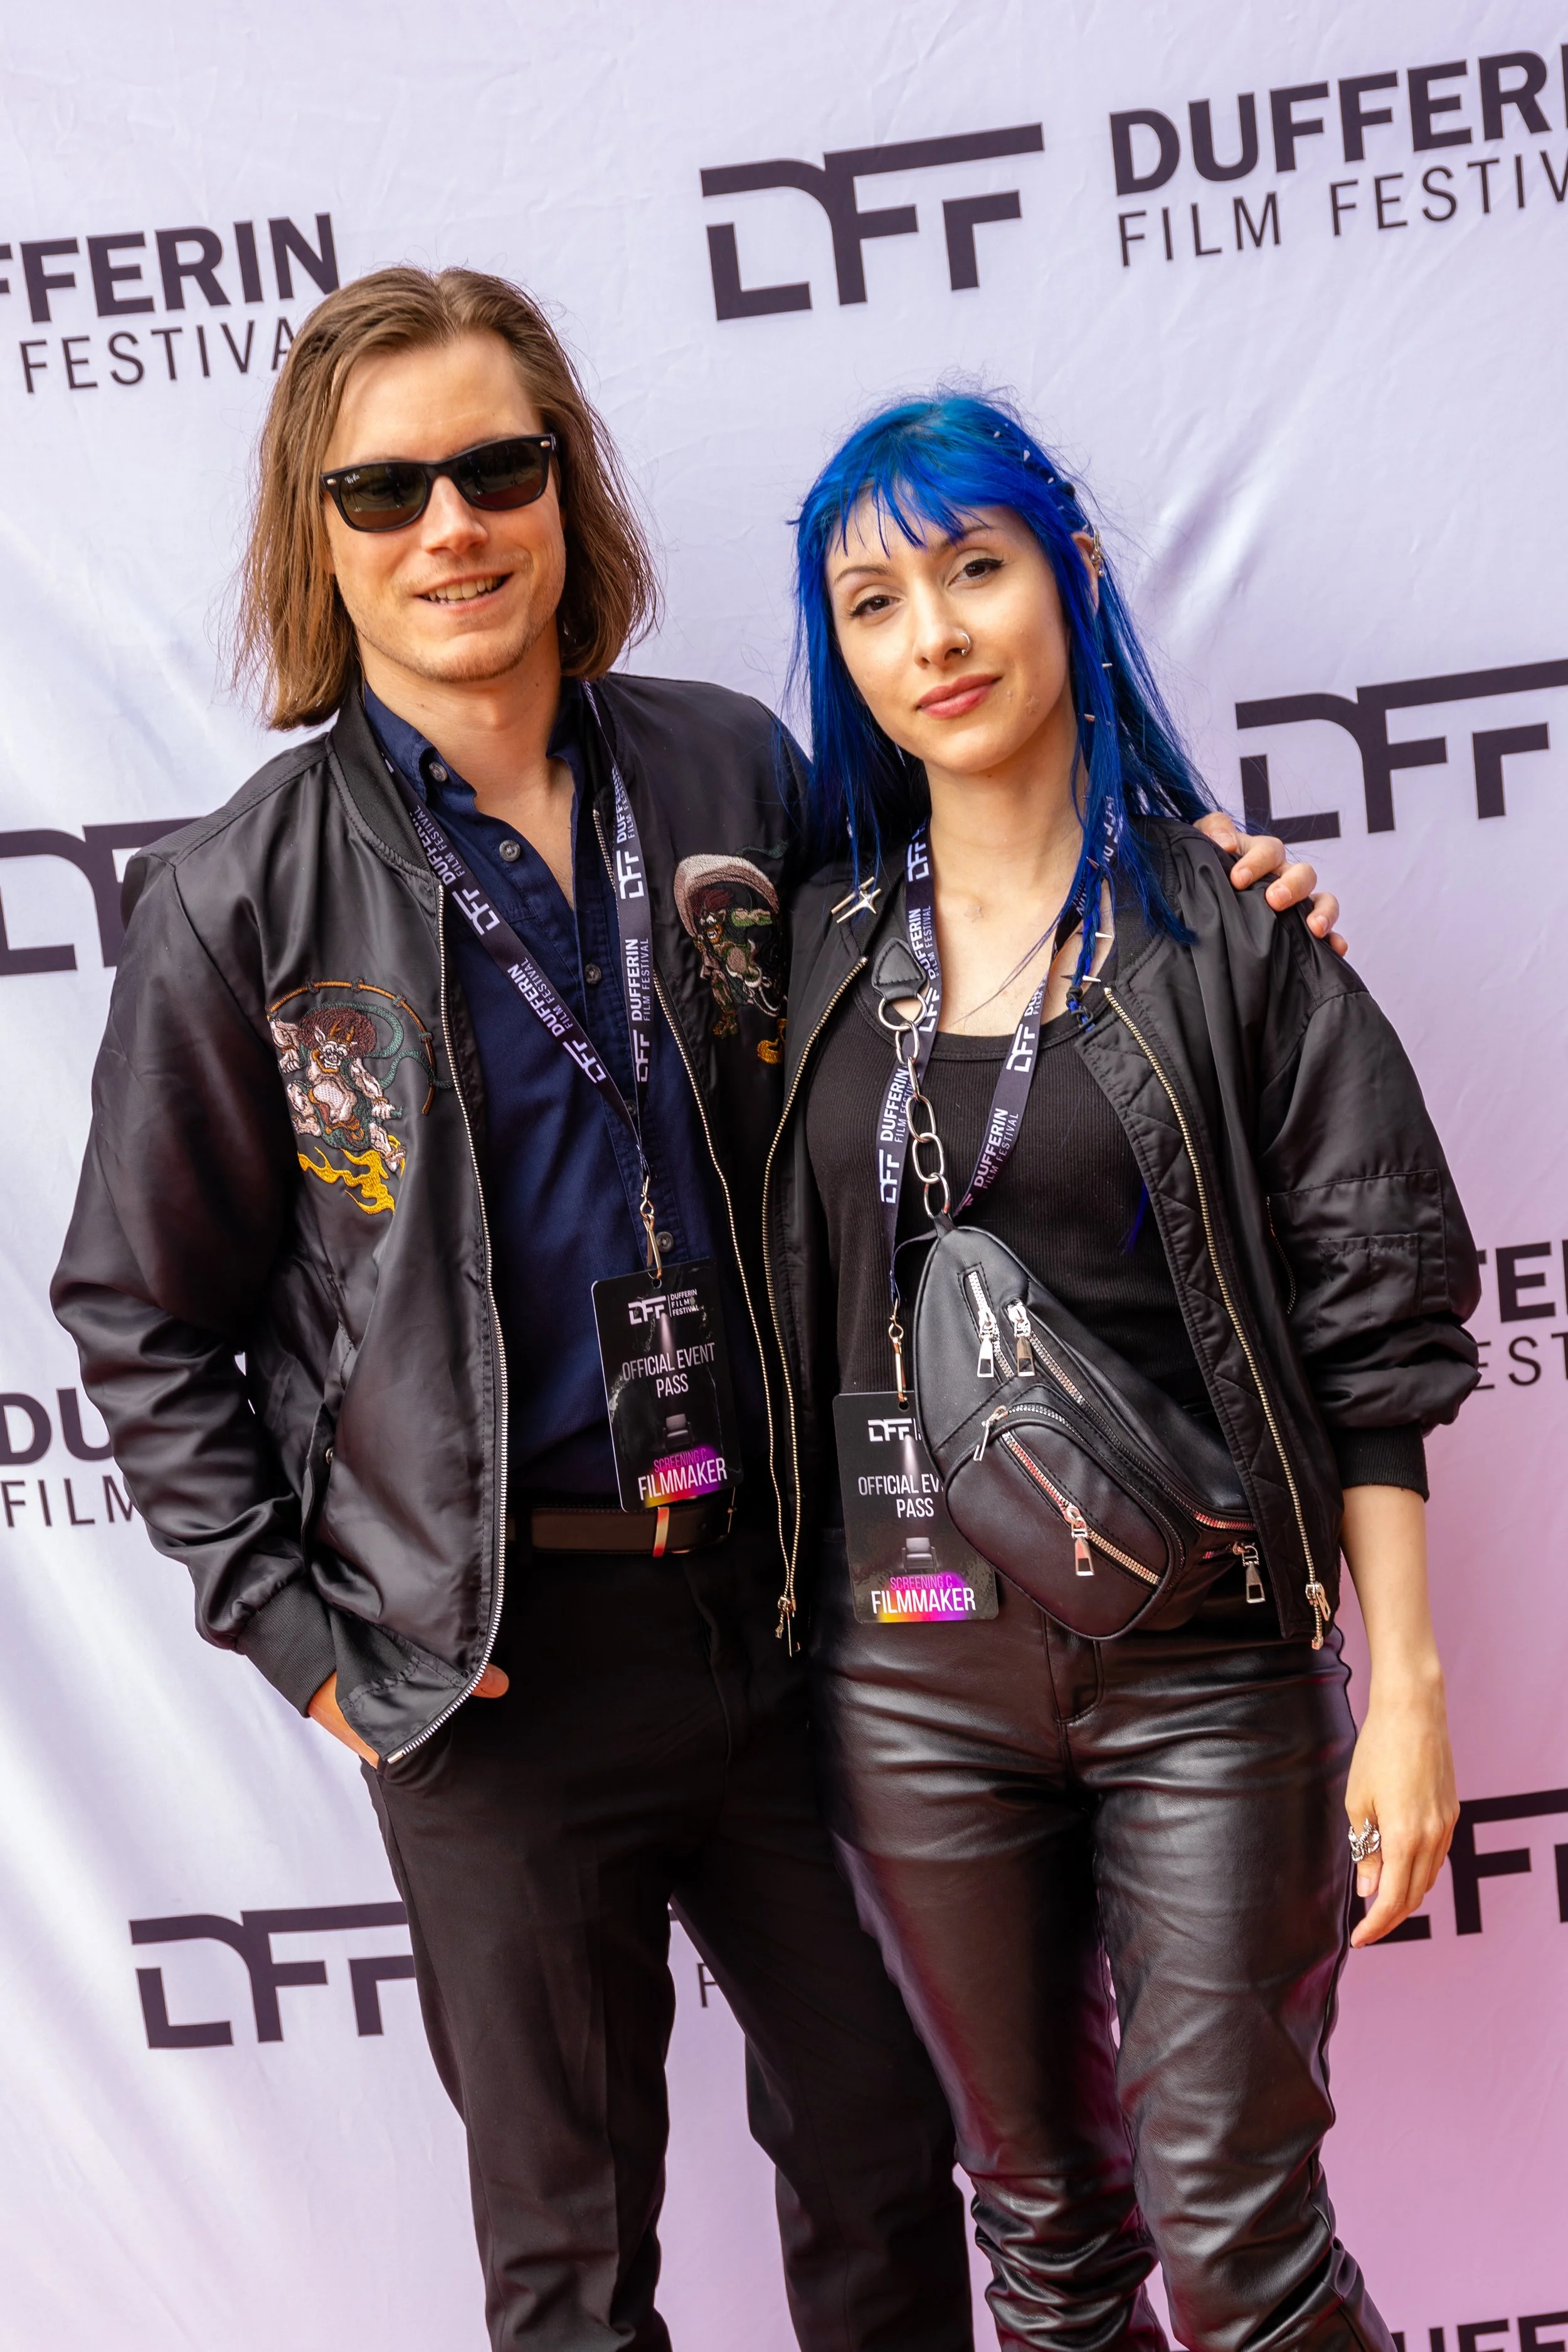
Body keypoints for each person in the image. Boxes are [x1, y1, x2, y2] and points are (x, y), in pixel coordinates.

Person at [51, 270, 1332, 2351]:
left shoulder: (733, 772)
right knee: (571, 2263)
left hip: (792, 1608)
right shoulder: (237, 895)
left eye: (497, 466)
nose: (449, 524)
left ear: (568, 490)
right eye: (385, 490)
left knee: (885, 2167)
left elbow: (987, 912)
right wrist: (312, 1646)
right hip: (486, 1673)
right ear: (319, 533)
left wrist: (1204, 886)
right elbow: (136, 1308)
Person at [763, 394, 1479, 2352]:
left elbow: (1374, 1321)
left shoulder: (1230, 935)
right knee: (1047, 2235)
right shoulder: (812, 956)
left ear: (1068, 580)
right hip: (908, 1678)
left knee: (1239, 2240)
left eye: (973, 567)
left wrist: (1400, 1687)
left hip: (1206, 1673)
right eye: (874, 598)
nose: (935, 632)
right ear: (839, 653)